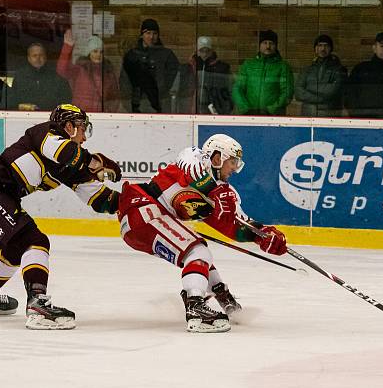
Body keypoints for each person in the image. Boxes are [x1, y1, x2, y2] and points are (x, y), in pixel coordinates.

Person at [0, 104, 122, 330]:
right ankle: (37, 304)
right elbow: (66, 153)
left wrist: (136, 201)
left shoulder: (70, 166)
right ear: (68, 127)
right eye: (82, 129)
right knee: (35, 241)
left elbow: (101, 200)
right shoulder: (45, 133)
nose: (84, 137)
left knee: (16, 248)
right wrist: (96, 163)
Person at [116, 134, 288, 333]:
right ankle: (196, 307)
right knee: (198, 252)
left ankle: (220, 294)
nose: (234, 168)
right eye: (232, 161)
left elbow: (234, 224)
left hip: (144, 224)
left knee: (198, 257)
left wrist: (262, 236)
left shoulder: (227, 193)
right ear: (217, 158)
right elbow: (189, 167)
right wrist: (214, 191)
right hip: (143, 210)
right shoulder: (194, 157)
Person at [120, 18, 180, 113]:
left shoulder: (167, 55)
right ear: (142, 35)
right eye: (148, 33)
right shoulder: (132, 55)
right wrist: (128, 103)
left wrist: (160, 92)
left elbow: (173, 78)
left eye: (155, 33)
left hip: (161, 104)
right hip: (137, 105)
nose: (151, 37)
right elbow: (124, 82)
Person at [57, 29, 122, 112]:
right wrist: (67, 47)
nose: (98, 54)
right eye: (95, 51)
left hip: (101, 116)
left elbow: (114, 97)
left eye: (101, 52)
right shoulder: (80, 69)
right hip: (81, 116)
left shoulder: (108, 71)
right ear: (88, 53)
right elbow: (62, 70)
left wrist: (110, 113)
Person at [232, 30, 294, 116]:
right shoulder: (248, 64)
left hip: (273, 117)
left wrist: (271, 109)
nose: (268, 46)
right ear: (259, 45)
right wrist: (245, 108)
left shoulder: (283, 66)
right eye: (265, 43)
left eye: (271, 43)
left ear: (276, 46)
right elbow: (238, 88)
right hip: (249, 115)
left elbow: (287, 92)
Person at [294, 34, 347, 117]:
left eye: (326, 46)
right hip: (307, 115)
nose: (323, 49)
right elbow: (298, 91)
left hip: (330, 115)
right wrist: (321, 98)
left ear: (331, 49)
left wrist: (309, 89)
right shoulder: (307, 69)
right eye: (320, 45)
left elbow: (333, 91)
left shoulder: (339, 69)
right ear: (315, 49)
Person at [9, 42, 72, 111]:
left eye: (41, 55)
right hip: (25, 117)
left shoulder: (56, 77)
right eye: (34, 55)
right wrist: (23, 107)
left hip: (50, 118)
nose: (38, 58)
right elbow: (11, 102)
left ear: (45, 57)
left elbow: (66, 101)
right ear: (29, 58)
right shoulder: (20, 77)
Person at [184, 35, 233, 115]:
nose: (204, 54)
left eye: (207, 51)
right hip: (194, 107)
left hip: (214, 106)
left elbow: (228, 89)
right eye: (201, 51)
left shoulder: (221, 68)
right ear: (197, 51)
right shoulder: (190, 67)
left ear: (211, 51)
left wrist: (227, 107)